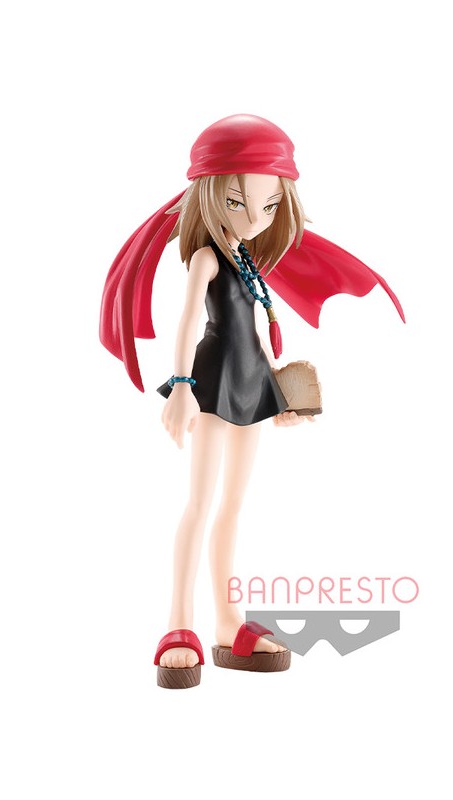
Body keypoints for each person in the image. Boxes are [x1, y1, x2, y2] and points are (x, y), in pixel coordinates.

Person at [100, 115, 404, 688]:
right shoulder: (207, 258)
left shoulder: (248, 259)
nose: (255, 217)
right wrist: (182, 387)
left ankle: (227, 621)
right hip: (213, 384)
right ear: (210, 195)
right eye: (238, 201)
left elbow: (258, 334)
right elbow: (188, 322)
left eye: (270, 204)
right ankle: (178, 623)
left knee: (234, 505)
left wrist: (276, 392)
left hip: (250, 381)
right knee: (199, 504)